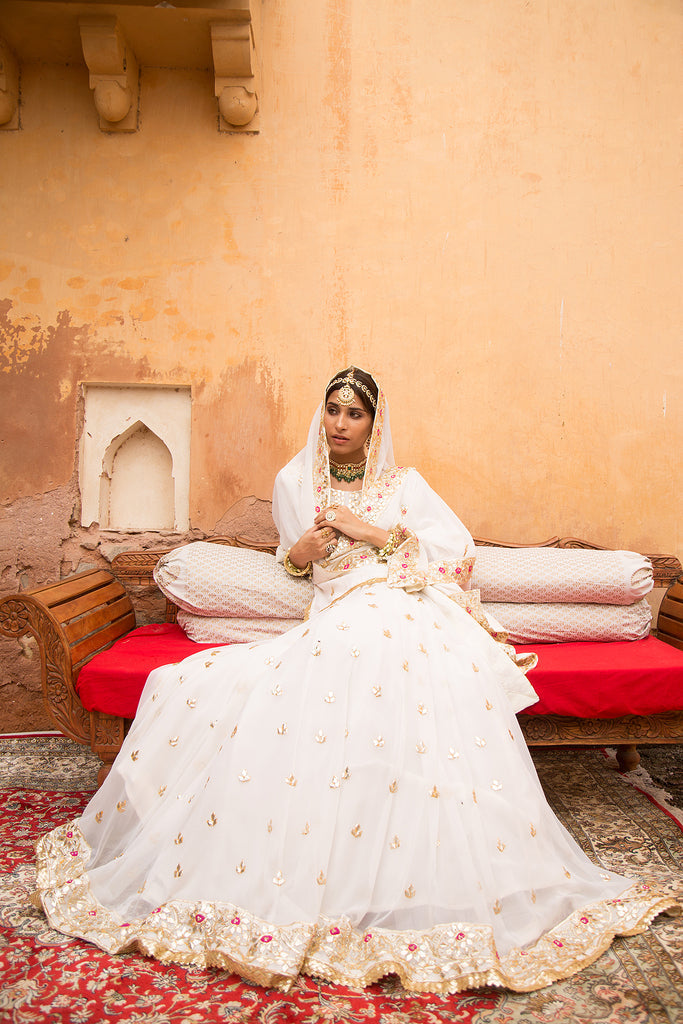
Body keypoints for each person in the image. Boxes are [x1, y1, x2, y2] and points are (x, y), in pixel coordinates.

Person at [35, 367, 676, 994]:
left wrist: (371, 531)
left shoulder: (403, 484)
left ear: (374, 423)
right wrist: (299, 554)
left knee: (401, 658)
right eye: (334, 409)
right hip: (339, 609)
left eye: (355, 413)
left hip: (405, 601)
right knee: (313, 662)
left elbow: (453, 554)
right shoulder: (294, 481)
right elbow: (292, 560)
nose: (341, 423)